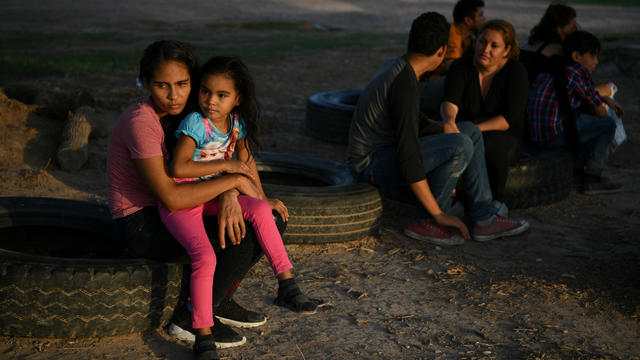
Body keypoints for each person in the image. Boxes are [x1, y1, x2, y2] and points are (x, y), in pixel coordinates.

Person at [107, 41, 270, 360]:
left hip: (182, 207)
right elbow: (171, 196)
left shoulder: (196, 111)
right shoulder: (142, 121)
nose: (173, 95)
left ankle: (217, 299)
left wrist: (249, 197)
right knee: (243, 233)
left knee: (267, 219)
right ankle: (188, 319)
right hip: (142, 222)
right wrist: (232, 182)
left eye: (182, 84)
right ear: (144, 82)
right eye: (162, 85)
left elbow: (236, 152)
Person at [157, 55, 317, 357]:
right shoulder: (196, 123)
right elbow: (178, 167)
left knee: (260, 212)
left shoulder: (236, 124)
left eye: (221, 95)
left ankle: (287, 285)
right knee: (205, 256)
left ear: (238, 99)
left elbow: (246, 164)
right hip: (184, 202)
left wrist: (260, 196)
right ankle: (202, 334)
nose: (211, 101)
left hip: (213, 197)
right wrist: (228, 165)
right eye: (205, 91)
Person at [348, 12, 529, 247]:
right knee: (460, 144)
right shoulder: (404, 84)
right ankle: (423, 220)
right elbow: (408, 156)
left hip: (386, 151)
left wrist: (444, 127)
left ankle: (484, 217)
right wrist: (438, 213)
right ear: (442, 51)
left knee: (469, 132)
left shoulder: (401, 66)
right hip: (369, 163)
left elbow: (416, 124)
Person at [440, 19, 529, 203]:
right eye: (482, 42)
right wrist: (449, 121)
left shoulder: (516, 71)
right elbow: (450, 101)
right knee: (448, 137)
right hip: (466, 130)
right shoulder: (461, 66)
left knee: (491, 145)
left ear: (506, 50)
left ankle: (493, 205)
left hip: (504, 134)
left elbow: (510, 118)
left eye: (494, 46)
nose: (485, 49)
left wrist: (473, 131)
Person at [527, 30, 625, 194]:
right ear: (577, 57)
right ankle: (591, 176)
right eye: (593, 56)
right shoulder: (577, 73)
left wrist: (603, 99)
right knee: (608, 124)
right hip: (553, 137)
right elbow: (600, 112)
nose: (596, 62)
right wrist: (605, 100)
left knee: (586, 122)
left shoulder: (552, 68)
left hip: (536, 136)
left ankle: (577, 170)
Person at [420, 0, 485, 115]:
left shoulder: (469, 39)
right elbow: (453, 67)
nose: (484, 19)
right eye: (480, 15)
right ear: (468, 20)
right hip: (430, 83)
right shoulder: (452, 33)